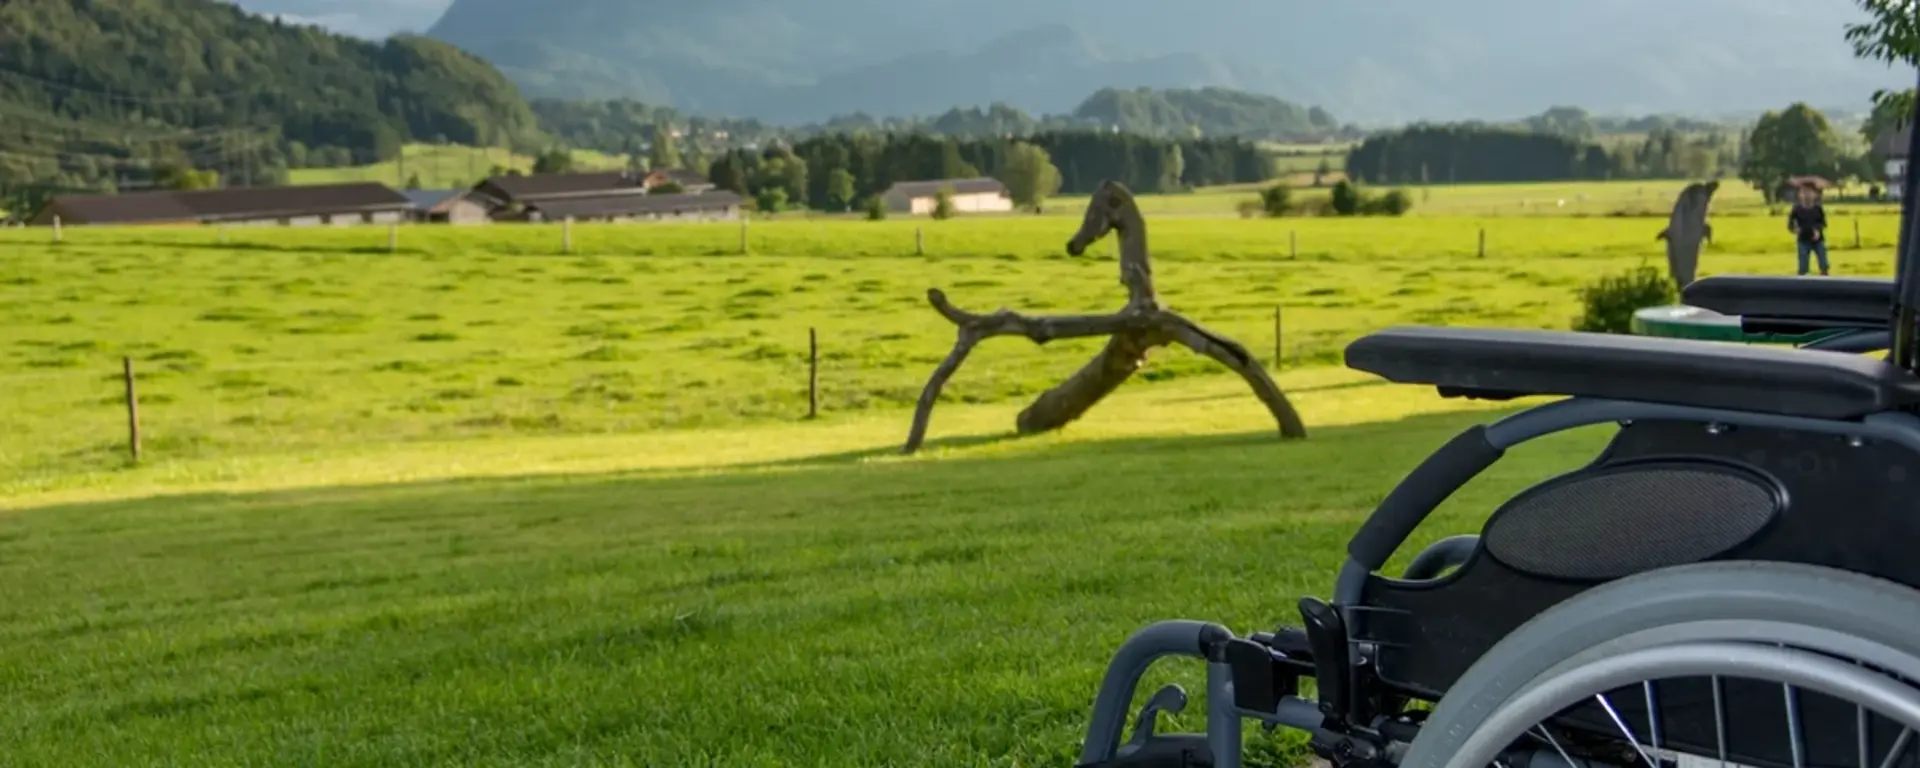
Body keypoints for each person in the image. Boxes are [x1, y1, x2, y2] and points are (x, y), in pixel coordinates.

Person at [1787, 184, 1829, 276]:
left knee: (1824, 264)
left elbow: (1823, 223)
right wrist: (1794, 229)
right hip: (1803, 240)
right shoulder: (1797, 209)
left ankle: (1826, 283)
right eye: (1804, 192)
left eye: (1809, 192)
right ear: (1799, 195)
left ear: (1815, 195)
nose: (1807, 195)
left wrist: (1817, 230)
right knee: (1803, 266)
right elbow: (1790, 224)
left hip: (1818, 240)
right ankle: (1801, 285)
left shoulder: (1818, 209)